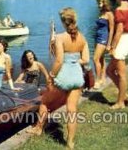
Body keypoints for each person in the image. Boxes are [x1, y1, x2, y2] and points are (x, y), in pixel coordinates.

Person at [27, 8, 89, 150]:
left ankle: (38, 128)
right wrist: (74, 61)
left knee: (45, 102)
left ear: (63, 22)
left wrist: (51, 76)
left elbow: (59, 60)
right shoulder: (82, 38)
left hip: (63, 77)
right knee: (72, 110)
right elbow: (85, 59)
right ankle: (70, 143)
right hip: (77, 78)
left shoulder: (61, 37)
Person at [106, 0, 128, 109]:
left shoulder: (120, 10)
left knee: (122, 74)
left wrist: (112, 47)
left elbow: (118, 31)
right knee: (109, 71)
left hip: (121, 41)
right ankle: (124, 95)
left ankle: (120, 102)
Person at [93, 0, 114, 88]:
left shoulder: (109, 14)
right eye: (98, 3)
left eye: (100, 3)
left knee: (95, 59)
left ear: (105, 3)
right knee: (101, 58)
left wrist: (109, 44)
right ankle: (103, 78)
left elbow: (112, 29)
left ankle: (97, 81)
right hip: (97, 37)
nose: (98, 5)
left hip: (103, 38)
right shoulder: (101, 12)